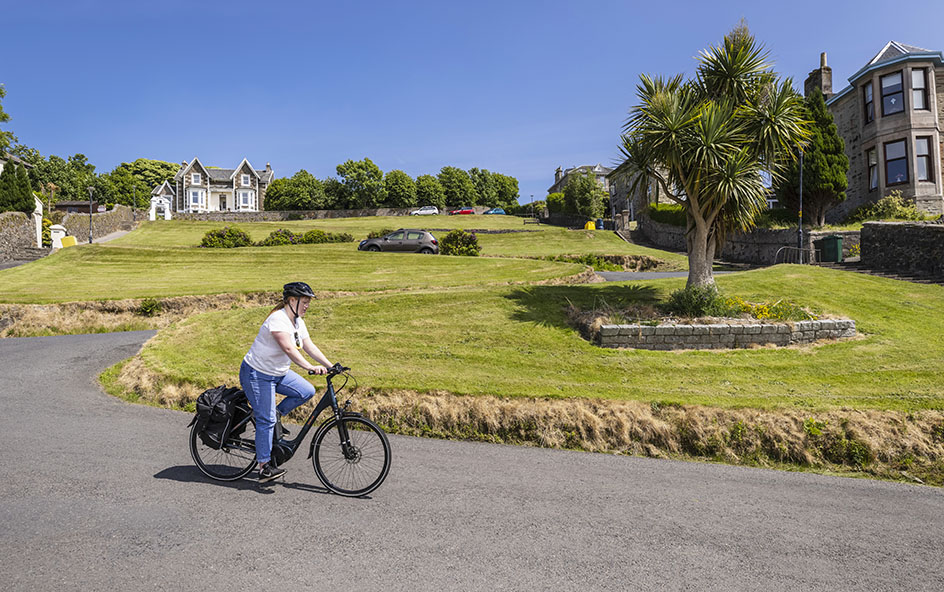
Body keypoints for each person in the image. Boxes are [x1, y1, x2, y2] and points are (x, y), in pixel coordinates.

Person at [240, 281, 333, 483]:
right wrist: (309, 367)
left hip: (278, 373)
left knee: (306, 391)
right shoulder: (278, 319)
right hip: (257, 374)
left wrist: (331, 365)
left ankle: (275, 417)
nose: (307, 305)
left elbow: (308, 345)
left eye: (309, 302)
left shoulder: (297, 321)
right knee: (266, 420)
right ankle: (264, 466)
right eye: (304, 301)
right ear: (292, 300)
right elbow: (290, 350)